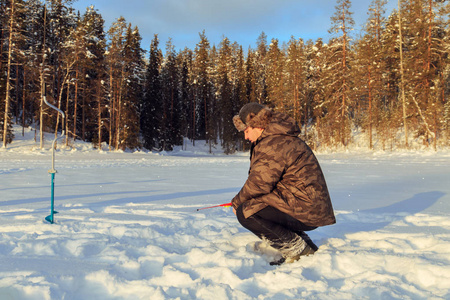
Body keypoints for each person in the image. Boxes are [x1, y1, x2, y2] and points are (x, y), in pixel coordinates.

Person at [231, 102, 336, 265]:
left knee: (246, 212)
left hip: (307, 209)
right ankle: (303, 244)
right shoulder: (276, 139)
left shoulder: (274, 143)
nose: (245, 137)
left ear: (256, 125)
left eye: (246, 131)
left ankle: (298, 250)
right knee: (256, 205)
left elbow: (259, 184)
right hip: (305, 205)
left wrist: (237, 202)